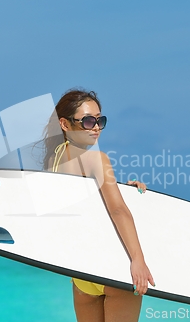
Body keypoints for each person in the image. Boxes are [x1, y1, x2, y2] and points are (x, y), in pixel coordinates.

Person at [42, 89, 155, 322]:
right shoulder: (97, 158)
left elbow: (81, 206)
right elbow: (118, 210)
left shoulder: (54, 161)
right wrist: (138, 260)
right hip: (113, 269)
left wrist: (122, 190)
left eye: (99, 120)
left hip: (81, 275)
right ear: (64, 124)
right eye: (87, 121)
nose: (96, 127)